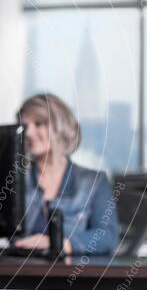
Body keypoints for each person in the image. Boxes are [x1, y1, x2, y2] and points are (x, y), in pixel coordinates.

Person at [14, 93, 118, 256]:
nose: (28, 133)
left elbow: (107, 237)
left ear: (60, 126)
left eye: (39, 123)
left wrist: (63, 243)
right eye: (24, 126)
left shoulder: (95, 182)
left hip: (70, 276)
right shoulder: (14, 182)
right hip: (20, 273)